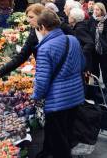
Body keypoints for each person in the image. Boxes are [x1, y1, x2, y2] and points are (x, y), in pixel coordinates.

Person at [33, 9, 85, 158]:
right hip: (75, 96)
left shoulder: (45, 48)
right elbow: (82, 63)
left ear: (42, 27)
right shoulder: (72, 40)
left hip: (57, 101)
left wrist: (35, 96)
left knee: (59, 142)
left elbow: (42, 81)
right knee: (67, 134)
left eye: (38, 28)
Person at [0, 4, 45, 80]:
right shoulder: (34, 33)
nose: (28, 20)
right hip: (42, 75)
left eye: (31, 17)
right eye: (27, 17)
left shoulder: (56, 32)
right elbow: (22, 56)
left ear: (41, 16)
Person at [89, 2, 107, 88]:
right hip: (94, 48)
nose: (95, 11)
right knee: (94, 67)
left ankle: (106, 82)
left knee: (105, 67)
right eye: (94, 9)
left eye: (97, 9)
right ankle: (96, 83)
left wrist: (106, 40)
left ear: (102, 10)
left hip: (104, 48)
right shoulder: (91, 20)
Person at [68, 8, 95, 72]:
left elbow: (90, 43)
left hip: (83, 61)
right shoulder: (80, 26)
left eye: (70, 16)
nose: (68, 17)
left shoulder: (79, 29)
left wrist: (81, 54)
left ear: (73, 18)